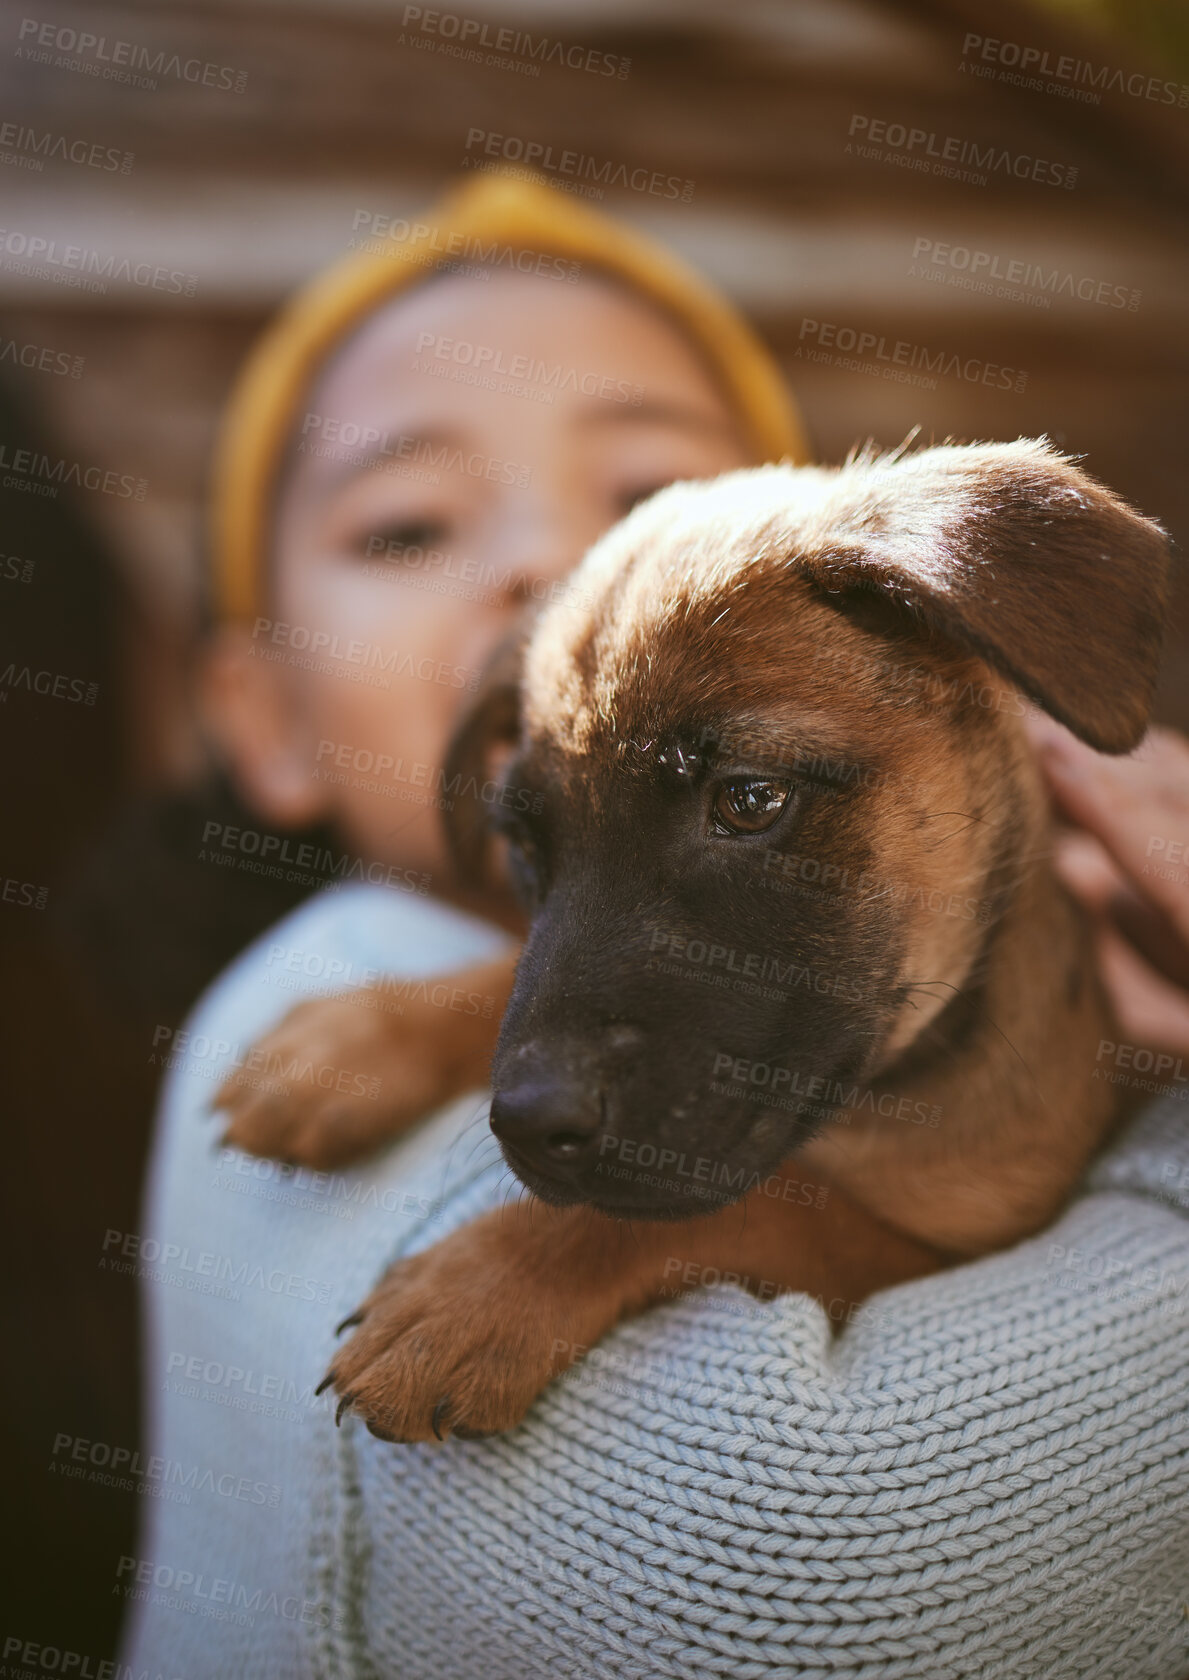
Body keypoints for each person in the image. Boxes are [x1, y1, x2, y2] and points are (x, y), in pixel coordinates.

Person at [122, 173, 1188, 1677]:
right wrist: (581, 1238)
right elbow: (816, 1554)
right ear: (257, 713)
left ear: (973, 654)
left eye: (635, 495)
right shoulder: (302, 992)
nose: (543, 571)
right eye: (408, 522)